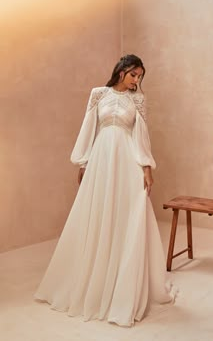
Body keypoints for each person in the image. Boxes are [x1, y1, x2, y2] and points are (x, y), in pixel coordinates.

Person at [34, 54, 176, 327]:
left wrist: (147, 168)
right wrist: (84, 161)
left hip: (126, 161)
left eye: (140, 76)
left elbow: (141, 135)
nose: (137, 80)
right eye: (134, 74)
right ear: (121, 71)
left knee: (128, 213)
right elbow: (88, 128)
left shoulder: (138, 100)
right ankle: (94, 278)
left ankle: (123, 282)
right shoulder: (98, 94)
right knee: (96, 212)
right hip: (100, 159)